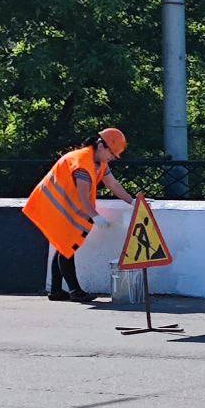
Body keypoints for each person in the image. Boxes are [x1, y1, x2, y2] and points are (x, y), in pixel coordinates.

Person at [23, 128, 137, 302]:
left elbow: (112, 184)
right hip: (52, 205)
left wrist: (132, 201)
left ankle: (55, 291)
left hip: (62, 205)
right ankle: (76, 291)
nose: (112, 158)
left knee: (64, 245)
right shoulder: (82, 163)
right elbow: (84, 196)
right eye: (112, 154)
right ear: (101, 146)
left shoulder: (99, 162)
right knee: (67, 248)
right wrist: (95, 215)